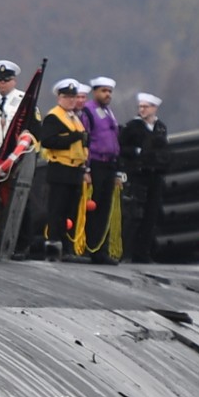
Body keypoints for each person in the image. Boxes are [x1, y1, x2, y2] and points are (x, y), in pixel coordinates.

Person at [27, 80, 88, 257]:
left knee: (71, 212)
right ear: (59, 98)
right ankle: (54, 245)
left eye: (73, 97)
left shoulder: (74, 117)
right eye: (66, 97)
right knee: (57, 210)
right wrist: (73, 137)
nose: (70, 100)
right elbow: (48, 141)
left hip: (76, 170)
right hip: (60, 170)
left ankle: (67, 245)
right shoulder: (54, 117)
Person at [78, 77, 124, 263]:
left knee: (105, 208)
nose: (107, 95)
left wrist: (118, 171)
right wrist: (86, 168)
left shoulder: (109, 112)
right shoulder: (88, 112)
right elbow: (86, 140)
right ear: (95, 92)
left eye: (110, 91)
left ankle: (101, 249)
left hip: (109, 164)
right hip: (96, 164)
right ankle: (92, 248)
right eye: (104, 91)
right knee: (93, 207)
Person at [120, 93, 169, 263]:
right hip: (138, 175)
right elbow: (121, 148)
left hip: (155, 175)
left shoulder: (160, 127)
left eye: (145, 107)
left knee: (151, 215)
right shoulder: (133, 127)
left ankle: (143, 252)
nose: (142, 110)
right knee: (134, 215)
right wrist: (136, 152)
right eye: (140, 106)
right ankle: (127, 253)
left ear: (154, 108)